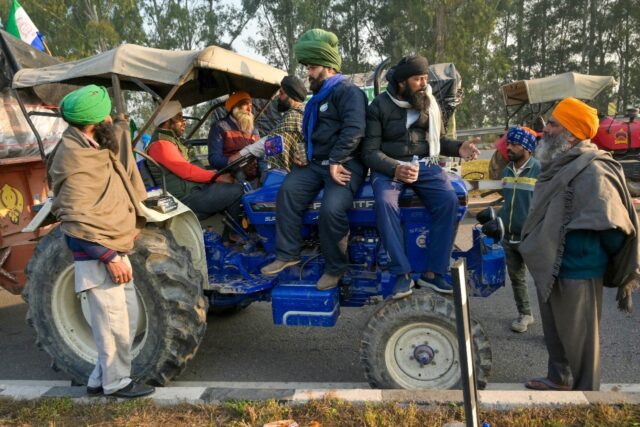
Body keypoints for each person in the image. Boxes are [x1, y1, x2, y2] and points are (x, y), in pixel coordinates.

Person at [520, 97, 640, 391]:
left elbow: (614, 229)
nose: (544, 129)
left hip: (580, 270)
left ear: (571, 133)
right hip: (550, 265)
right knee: (555, 334)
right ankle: (558, 378)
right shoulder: (556, 166)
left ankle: (588, 396)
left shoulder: (594, 171)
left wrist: (592, 255)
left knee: (581, 343)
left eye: (552, 124)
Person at [48, 85, 154, 398]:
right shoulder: (73, 157)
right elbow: (76, 218)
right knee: (114, 325)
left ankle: (98, 379)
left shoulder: (91, 146)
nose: (112, 117)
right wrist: (108, 255)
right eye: (107, 113)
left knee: (125, 321)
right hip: (98, 256)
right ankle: (116, 384)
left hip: (113, 249)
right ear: (95, 120)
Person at [362, 55, 480, 298]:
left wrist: (459, 148)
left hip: (425, 164)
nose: (424, 83)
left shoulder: (428, 103)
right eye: (418, 79)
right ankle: (401, 273)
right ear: (402, 82)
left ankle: (433, 273)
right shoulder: (379, 106)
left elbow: (439, 141)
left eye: (426, 78)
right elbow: (369, 152)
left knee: (449, 200)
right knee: (384, 203)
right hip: (389, 167)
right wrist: (395, 168)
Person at [260, 29, 368, 290]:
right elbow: (308, 134)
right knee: (286, 191)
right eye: (308, 67)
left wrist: (335, 160)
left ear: (328, 67)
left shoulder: (348, 92)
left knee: (332, 209)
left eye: (312, 67)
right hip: (316, 164)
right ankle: (287, 254)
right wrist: (302, 150)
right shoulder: (315, 100)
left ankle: (335, 267)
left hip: (345, 163)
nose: (308, 73)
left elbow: (354, 130)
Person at [146, 100, 243, 222]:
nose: (184, 122)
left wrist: (216, 174)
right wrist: (217, 177)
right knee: (237, 190)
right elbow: (187, 171)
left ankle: (232, 235)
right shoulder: (161, 144)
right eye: (179, 118)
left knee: (236, 180)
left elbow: (191, 167)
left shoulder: (174, 141)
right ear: (167, 121)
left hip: (195, 190)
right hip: (184, 198)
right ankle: (233, 237)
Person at [497, 126, 540, 332]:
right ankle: (525, 315)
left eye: (514, 144)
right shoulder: (506, 171)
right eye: (508, 144)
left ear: (527, 147)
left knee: (543, 282)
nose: (509, 148)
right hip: (509, 236)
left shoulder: (540, 170)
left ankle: (555, 325)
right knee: (517, 278)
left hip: (532, 237)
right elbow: (508, 203)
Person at [238, 75, 307, 173]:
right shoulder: (305, 111)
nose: (279, 96)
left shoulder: (293, 116)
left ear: (291, 96)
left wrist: (242, 154)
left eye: (282, 93)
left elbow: (271, 142)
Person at [207, 91, 260, 181]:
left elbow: (261, 154)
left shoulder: (253, 128)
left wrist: (263, 174)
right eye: (245, 105)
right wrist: (232, 162)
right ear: (235, 107)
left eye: (250, 106)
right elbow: (214, 159)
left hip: (255, 177)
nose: (249, 110)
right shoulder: (219, 127)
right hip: (232, 178)